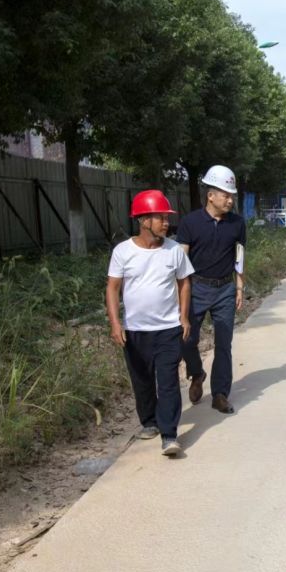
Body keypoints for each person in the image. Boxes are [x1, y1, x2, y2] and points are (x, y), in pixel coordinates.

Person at [106, 190, 194, 457]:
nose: (166, 223)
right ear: (144, 220)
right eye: (160, 218)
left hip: (168, 329)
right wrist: (115, 323)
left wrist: (184, 317)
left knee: (168, 381)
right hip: (135, 330)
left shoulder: (174, 251)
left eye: (167, 218)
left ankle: (169, 435)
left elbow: (184, 283)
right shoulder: (123, 251)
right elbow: (113, 288)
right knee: (142, 380)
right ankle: (149, 421)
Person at [176, 164, 247, 415]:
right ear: (211, 196)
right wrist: (179, 292)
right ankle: (197, 373)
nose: (230, 200)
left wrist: (239, 287)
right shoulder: (190, 222)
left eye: (232, 196)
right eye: (226, 195)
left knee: (224, 343)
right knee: (186, 339)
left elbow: (239, 255)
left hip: (225, 289)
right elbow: (181, 260)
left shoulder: (237, 223)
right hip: (196, 288)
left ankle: (220, 394)